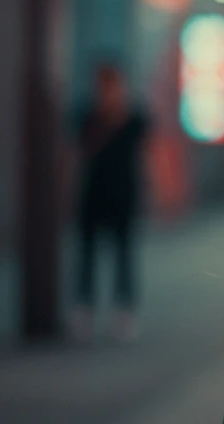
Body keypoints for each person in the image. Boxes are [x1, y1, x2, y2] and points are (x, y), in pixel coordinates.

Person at [69, 62, 151, 343]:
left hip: (123, 196)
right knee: (87, 256)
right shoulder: (87, 116)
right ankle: (84, 310)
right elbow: (74, 153)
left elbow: (147, 154)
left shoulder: (134, 118)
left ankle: (124, 311)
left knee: (124, 256)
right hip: (92, 196)